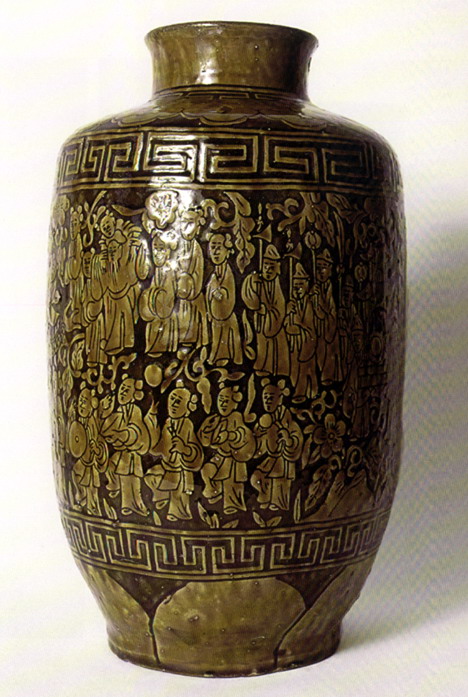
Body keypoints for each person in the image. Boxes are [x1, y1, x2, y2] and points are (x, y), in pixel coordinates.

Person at [145, 382, 202, 521]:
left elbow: (196, 451)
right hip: (168, 466)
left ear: (187, 407)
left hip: (182, 469)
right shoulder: (168, 424)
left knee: (179, 495)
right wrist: (152, 419)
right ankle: (161, 495)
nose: (174, 404)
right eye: (172, 399)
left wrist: (185, 449)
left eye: (179, 401)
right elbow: (157, 448)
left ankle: (179, 514)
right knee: (150, 475)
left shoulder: (187, 425)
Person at [199, 384, 255, 514]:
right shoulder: (217, 419)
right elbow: (207, 441)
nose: (223, 404)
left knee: (232, 484)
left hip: (233, 460)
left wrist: (230, 436)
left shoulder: (236, 417)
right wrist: (207, 430)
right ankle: (215, 490)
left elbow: (243, 434)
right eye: (221, 400)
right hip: (220, 458)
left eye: (226, 401)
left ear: (234, 404)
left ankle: (234, 506)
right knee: (207, 470)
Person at [251, 380, 303, 511]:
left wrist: (287, 439)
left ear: (279, 400)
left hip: (283, 461)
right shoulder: (265, 419)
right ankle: (265, 497)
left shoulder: (286, 418)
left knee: (279, 484)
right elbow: (256, 445)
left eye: (271, 397)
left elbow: (296, 438)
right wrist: (260, 432)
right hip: (271, 458)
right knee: (256, 477)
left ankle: (278, 505)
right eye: (265, 397)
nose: (268, 401)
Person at [101, 376, 150, 516]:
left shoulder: (135, 410)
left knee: (132, 479)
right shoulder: (118, 412)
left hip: (132, 453)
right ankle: (121, 497)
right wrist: (105, 413)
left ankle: (136, 504)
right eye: (121, 389)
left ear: (134, 395)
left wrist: (123, 434)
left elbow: (137, 430)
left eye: (127, 390)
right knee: (116, 470)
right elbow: (105, 430)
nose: (122, 392)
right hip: (122, 453)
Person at [241, 244, 289, 376]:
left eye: (271, 267)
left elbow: (279, 310)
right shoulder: (257, 282)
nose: (268, 270)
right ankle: (262, 365)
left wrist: (268, 313)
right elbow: (248, 297)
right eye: (265, 266)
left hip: (273, 327)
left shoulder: (278, 288)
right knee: (261, 345)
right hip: (261, 325)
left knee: (274, 349)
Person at [139, 234, 178, 356]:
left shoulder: (169, 273)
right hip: (155, 317)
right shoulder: (157, 272)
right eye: (155, 249)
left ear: (168, 252)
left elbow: (168, 300)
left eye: (161, 249)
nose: (157, 253)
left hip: (165, 318)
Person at [206, 232, 242, 365]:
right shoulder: (214, 275)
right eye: (212, 247)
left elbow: (227, 297)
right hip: (216, 318)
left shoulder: (228, 274)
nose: (215, 252)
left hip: (226, 318)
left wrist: (217, 291)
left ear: (227, 251)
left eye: (219, 247)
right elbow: (209, 295)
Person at [285, 262, 318, 401]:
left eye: (300, 285)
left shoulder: (309, 304)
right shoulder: (293, 304)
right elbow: (286, 324)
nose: (298, 289)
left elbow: (310, 326)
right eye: (295, 286)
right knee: (297, 369)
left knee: (306, 369)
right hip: (295, 345)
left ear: (306, 285)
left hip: (306, 343)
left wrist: (298, 323)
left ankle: (303, 392)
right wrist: (288, 315)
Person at [312, 249, 342, 384]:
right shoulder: (315, 288)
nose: (320, 271)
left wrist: (320, 302)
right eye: (318, 267)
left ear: (330, 270)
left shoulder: (331, 289)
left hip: (329, 329)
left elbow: (331, 312)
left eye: (324, 267)